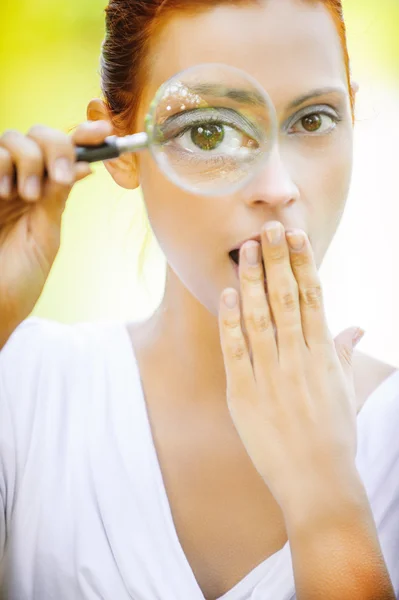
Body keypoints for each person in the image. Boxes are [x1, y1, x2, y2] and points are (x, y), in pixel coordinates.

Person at [0, 0, 398, 598]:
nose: (278, 188)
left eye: (312, 121)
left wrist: (326, 497)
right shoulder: (24, 391)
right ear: (122, 149)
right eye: (208, 130)